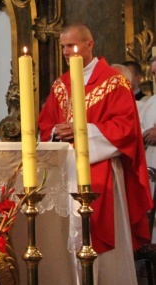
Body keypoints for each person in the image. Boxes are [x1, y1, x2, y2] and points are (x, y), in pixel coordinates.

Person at [38, 24, 152, 285]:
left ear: (90, 45)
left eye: (72, 46)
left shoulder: (114, 82)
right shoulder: (60, 86)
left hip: (102, 170)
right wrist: (58, 131)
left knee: (102, 245)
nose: (67, 52)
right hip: (66, 171)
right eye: (63, 47)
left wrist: (80, 133)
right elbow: (45, 126)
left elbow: (125, 129)